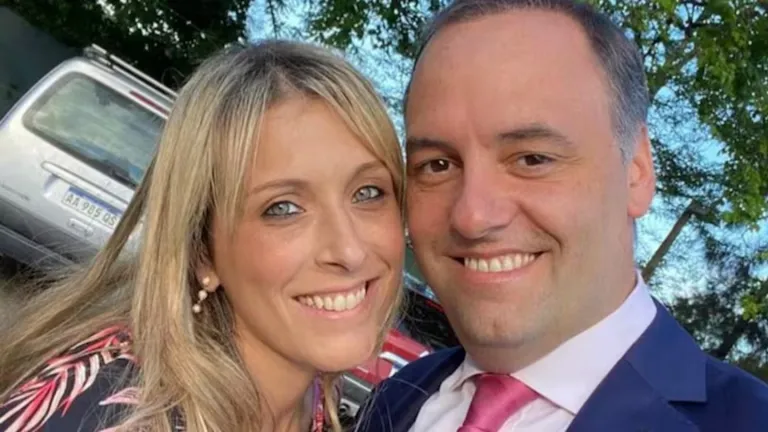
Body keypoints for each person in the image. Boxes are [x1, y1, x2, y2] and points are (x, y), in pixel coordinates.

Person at [356, 1, 768, 431]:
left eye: (532, 159)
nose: (473, 216)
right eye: (438, 165)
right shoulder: (399, 396)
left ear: (637, 171)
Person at [0, 40, 405, 432]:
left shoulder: (311, 397)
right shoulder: (102, 412)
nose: (349, 250)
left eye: (368, 192)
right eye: (283, 208)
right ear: (201, 251)